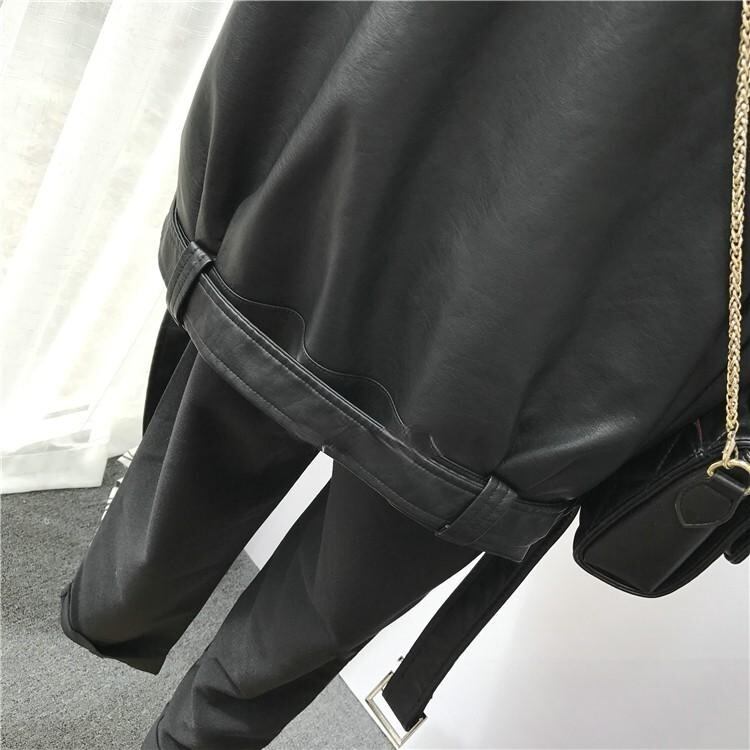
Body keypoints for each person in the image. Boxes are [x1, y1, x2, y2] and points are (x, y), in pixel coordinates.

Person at [61, 3, 750, 748]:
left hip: (335, 185)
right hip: (554, 366)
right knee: (323, 607)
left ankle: (118, 617)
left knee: (209, 480)